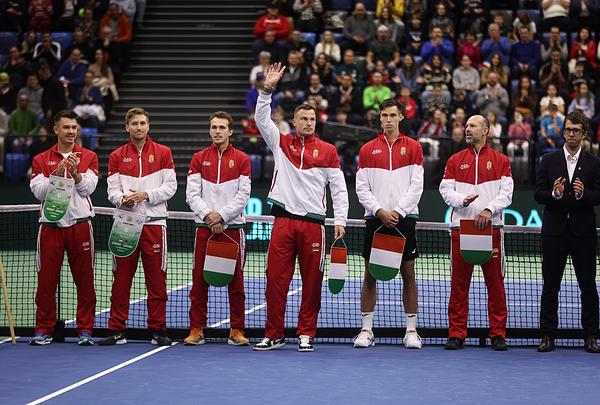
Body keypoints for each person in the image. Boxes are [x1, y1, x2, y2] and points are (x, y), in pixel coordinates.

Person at [253, 63, 349, 352]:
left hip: (313, 225)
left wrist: (340, 220)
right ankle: (274, 333)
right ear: (294, 122)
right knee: (275, 280)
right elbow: (261, 119)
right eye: (303, 119)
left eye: (312, 119)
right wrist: (267, 90)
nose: (308, 122)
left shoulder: (329, 151)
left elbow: (339, 189)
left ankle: (306, 333)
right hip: (283, 222)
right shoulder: (280, 143)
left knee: (312, 282)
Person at [101, 107, 177, 346]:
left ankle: (158, 330)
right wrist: (121, 199)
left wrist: (146, 195)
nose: (139, 127)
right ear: (127, 127)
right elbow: (112, 190)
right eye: (134, 123)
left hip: (155, 225)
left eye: (142, 123)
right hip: (125, 224)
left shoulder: (163, 153)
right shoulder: (116, 156)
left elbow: (171, 187)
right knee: (121, 280)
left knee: (157, 281)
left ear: (148, 126)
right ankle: (116, 330)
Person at [439, 114, 514, 351]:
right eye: (466, 126)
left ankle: (498, 334)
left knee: (496, 285)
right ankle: (456, 334)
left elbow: (507, 194)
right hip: (461, 229)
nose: (467, 129)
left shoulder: (501, 161)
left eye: (472, 125)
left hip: (491, 229)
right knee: (458, 285)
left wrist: (488, 210)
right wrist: (462, 200)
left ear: (486, 130)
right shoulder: (454, 160)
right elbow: (445, 190)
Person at [353, 98, 424, 349]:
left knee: (408, 274)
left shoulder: (414, 147)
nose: (388, 120)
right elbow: (361, 187)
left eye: (393, 115)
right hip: (376, 218)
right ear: (380, 118)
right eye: (384, 115)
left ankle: (411, 331)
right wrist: (379, 211)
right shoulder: (367, 149)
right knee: (370, 274)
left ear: (401, 117)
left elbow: (417, 186)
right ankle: (366, 330)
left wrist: (399, 212)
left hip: (405, 219)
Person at [29, 110, 98, 346]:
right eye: (66, 127)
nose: (70, 131)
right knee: (46, 282)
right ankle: (43, 329)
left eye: (74, 127)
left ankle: (85, 329)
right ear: (55, 129)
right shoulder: (41, 159)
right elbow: (39, 193)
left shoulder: (89, 156)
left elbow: (87, 189)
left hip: (80, 225)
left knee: (85, 281)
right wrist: (56, 175)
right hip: (50, 226)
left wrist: (76, 174)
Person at [534, 110, 600, 353]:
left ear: (584, 134)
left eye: (576, 130)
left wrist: (584, 195)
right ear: (563, 132)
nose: (571, 134)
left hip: (583, 234)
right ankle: (547, 336)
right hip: (554, 233)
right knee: (550, 286)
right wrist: (554, 194)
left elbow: (598, 195)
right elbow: (538, 194)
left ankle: (591, 336)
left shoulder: (594, 163)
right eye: (568, 130)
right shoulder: (548, 160)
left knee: (588, 287)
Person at [184, 111, 251, 346]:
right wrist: (209, 217)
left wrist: (221, 216)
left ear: (230, 131)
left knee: (236, 283)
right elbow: (192, 194)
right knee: (199, 282)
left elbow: (243, 195)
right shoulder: (198, 158)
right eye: (214, 127)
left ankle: (237, 330)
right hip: (205, 229)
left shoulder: (242, 159)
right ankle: (196, 329)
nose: (217, 131)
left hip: (233, 230)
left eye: (222, 127)